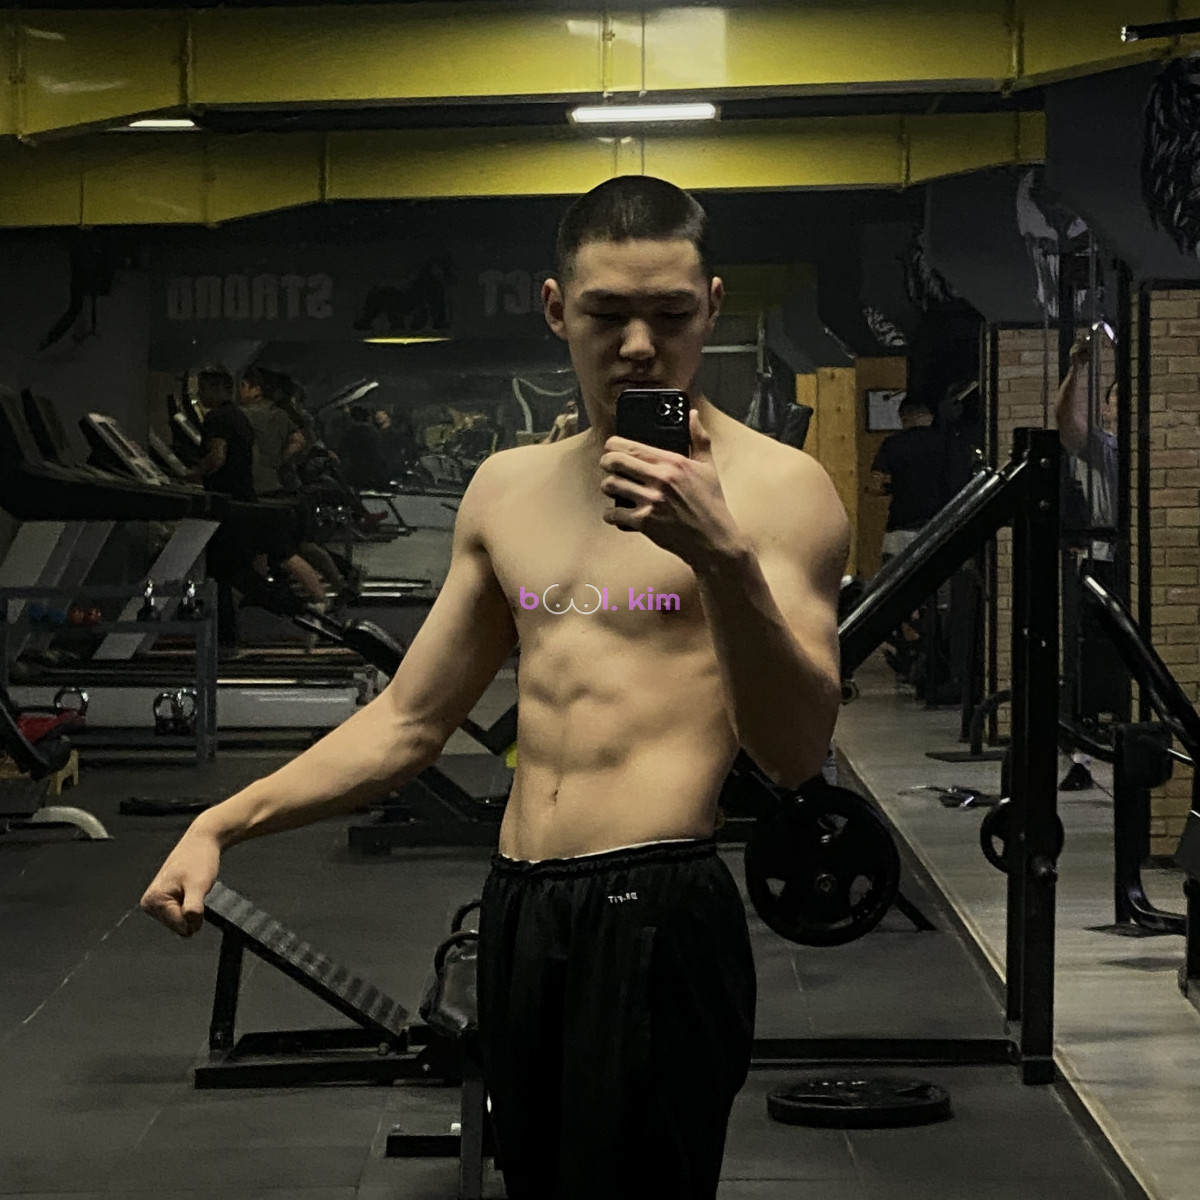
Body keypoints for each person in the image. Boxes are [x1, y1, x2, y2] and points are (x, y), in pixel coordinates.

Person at [140, 175, 848, 1199]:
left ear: (712, 307)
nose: (639, 345)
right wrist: (221, 823)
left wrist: (721, 556)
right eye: (606, 313)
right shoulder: (506, 489)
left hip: (656, 907)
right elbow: (408, 720)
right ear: (557, 309)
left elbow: (794, 750)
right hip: (519, 906)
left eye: (669, 313)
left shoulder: (781, 490)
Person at [1055, 335, 1120, 791]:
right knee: (1091, 657)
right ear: (1107, 408)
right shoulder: (1104, 447)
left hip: (1133, 566)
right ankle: (1082, 753)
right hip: (1104, 566)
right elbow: (1066, 423)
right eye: (1117, 398)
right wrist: (1076, 370)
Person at [187, 368, 257, 648]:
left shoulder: (216, 418)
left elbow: (216, 457)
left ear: (217, 388)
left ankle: (224, 637)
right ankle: (228, 635)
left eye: (203, 389)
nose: (199, 394)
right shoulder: (239, 416)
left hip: (223, 501)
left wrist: (193, 474)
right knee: (233, 570)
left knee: (221, 572)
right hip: (242, 497)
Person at [866, 395, 946, 564]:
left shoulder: (892, 444)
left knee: (895, 576)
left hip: (901, 527)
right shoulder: (947, 443)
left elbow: (875, 486)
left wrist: (892, 485)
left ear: (904, 417)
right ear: (930, 416)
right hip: (941, 526)